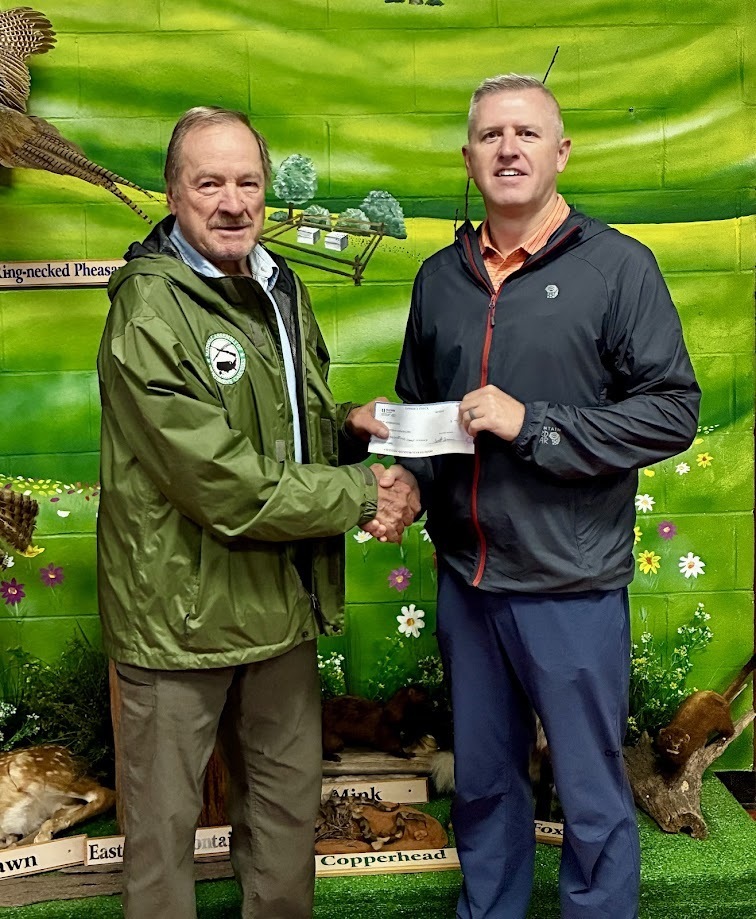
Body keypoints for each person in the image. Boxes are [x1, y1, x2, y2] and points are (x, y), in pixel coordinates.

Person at [96, 106, 418, 919]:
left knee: (284, 823)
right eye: (210, 183)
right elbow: (221, 479)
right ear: (173, 193)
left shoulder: (279, 283)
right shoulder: (150, 310)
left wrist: (347, 427)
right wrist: (361, 494)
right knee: (162, 842)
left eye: (248, 182)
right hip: (179, 620)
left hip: (277, 608)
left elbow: (278, 425)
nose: (233, 201)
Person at [391, 74, 700, 918]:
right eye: (491, 135)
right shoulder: (439, 278)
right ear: (468, 158)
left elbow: (673, 411)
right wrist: (405, 481)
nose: (509, 149)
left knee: (591, 793)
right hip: (469, 583)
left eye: (527, 133)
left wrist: (533, 424)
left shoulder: (619, 268)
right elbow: (424, 411)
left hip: (571, 584)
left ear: (561, 152)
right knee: (484, 786)